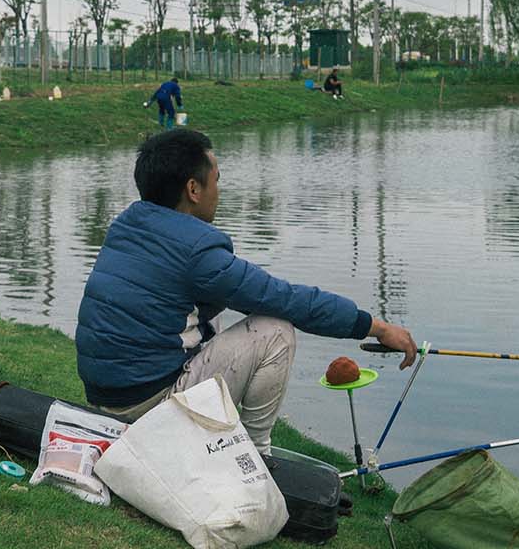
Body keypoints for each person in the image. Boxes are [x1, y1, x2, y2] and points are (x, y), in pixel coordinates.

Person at [75, 130, 418, 452]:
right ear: (194, 189)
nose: (218, 190)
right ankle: (255, 454)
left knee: (215, 312)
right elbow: (288, 300)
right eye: (217, 180)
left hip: (105, 399)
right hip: (147, 405)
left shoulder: (127, 224)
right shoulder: (196, 251)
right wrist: (379, 327)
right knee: (275, 329)